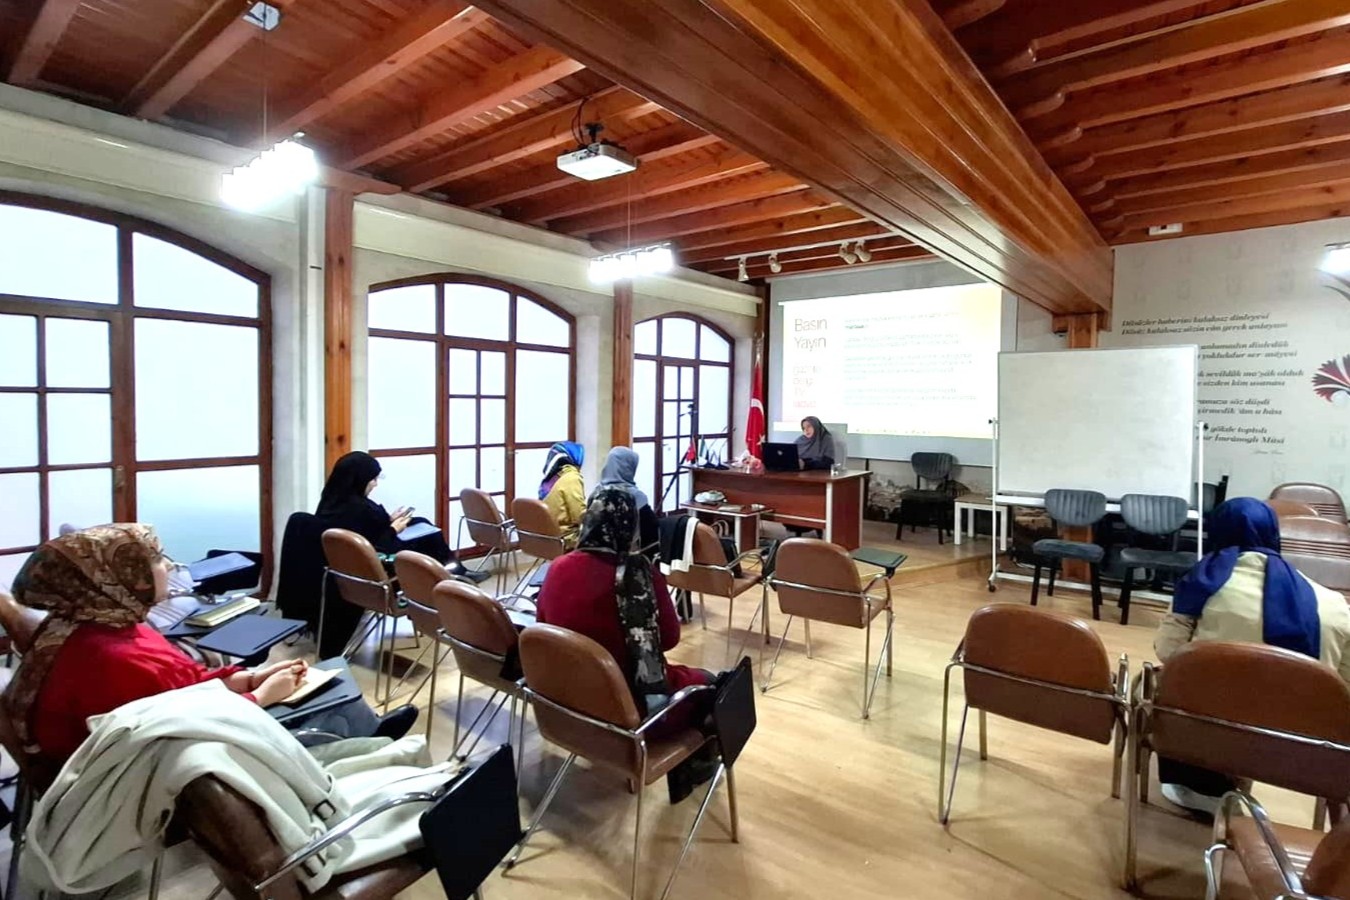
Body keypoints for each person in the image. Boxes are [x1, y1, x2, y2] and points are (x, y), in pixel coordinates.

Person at [4, 524, 417, 769]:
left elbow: (187, 683)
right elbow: (185, 727)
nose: (169, 566)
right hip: (186, 761)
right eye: (156, 560)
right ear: (117, 578)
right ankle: (374, 748)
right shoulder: (111, 659)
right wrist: (260, 696)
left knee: (330, 681)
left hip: (197, 723)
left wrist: (247, 677)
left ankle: (372, 733)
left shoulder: (107, 625)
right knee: (337, 706)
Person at [1152, 497, 1350, 815]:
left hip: (1208, 726)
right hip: (1302, 743)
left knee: (1161, 683)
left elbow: (1168, 652)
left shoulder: (1199, 586)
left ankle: (1201, 789)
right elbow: (1343, 685)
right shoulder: (1335, 604)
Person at [536, 487, 712, 719]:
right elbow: (669, 637)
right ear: (630, 525)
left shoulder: (557, 567)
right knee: (713, 684)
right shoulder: (639, 575)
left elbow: (542, 621)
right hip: (628, 703)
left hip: (568, 697)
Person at [316, 451, 485, 656]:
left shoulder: (332, 500)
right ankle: (448, 582)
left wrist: (388, 520)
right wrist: (393, 529)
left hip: (353, 566)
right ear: (359, 479)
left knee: (422, 524)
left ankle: (453, 572)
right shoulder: (358, 508)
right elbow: (375, 545)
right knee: (429, 540)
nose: (375, 484)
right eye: (372, 480)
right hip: (383, 566)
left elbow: (365, 531)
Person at [596, 446, 659, 556]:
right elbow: (651, 538)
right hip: (627, 560)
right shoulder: (636, 498)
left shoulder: (596, 494)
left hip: (596, 558)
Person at [539, 441, 586, 535]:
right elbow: (579, 516)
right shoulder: (572, 478)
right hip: (565, 537)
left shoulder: (552, 476)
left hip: (545, 536)